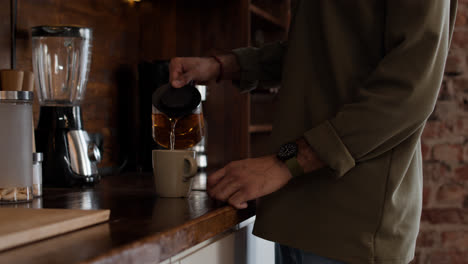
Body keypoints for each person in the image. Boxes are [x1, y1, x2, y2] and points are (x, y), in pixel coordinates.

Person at [169, 1, 457, 263]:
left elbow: (408, 93)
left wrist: (283, 162)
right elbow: (314, 49)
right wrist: (224, 66)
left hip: (351, 231)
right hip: (295, 213)